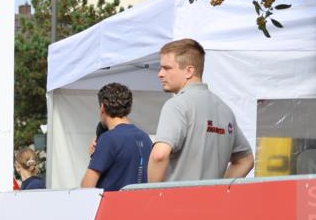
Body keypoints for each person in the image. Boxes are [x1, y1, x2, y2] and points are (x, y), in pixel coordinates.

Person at [148, 38, 254, 182]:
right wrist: (219, 190)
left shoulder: (176, 105)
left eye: (167, 68)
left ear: (189, 71)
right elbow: (246, 160)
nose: (160, 74)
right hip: (212, 203)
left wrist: (152, 196)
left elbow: (159, 155)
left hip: (176, 202)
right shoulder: (225, 110)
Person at [81, 83, 153, 192]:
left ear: (102, 107)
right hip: (140, 204)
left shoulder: (108, 139)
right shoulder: (145, 137)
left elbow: (86, 187)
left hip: (113, 206)